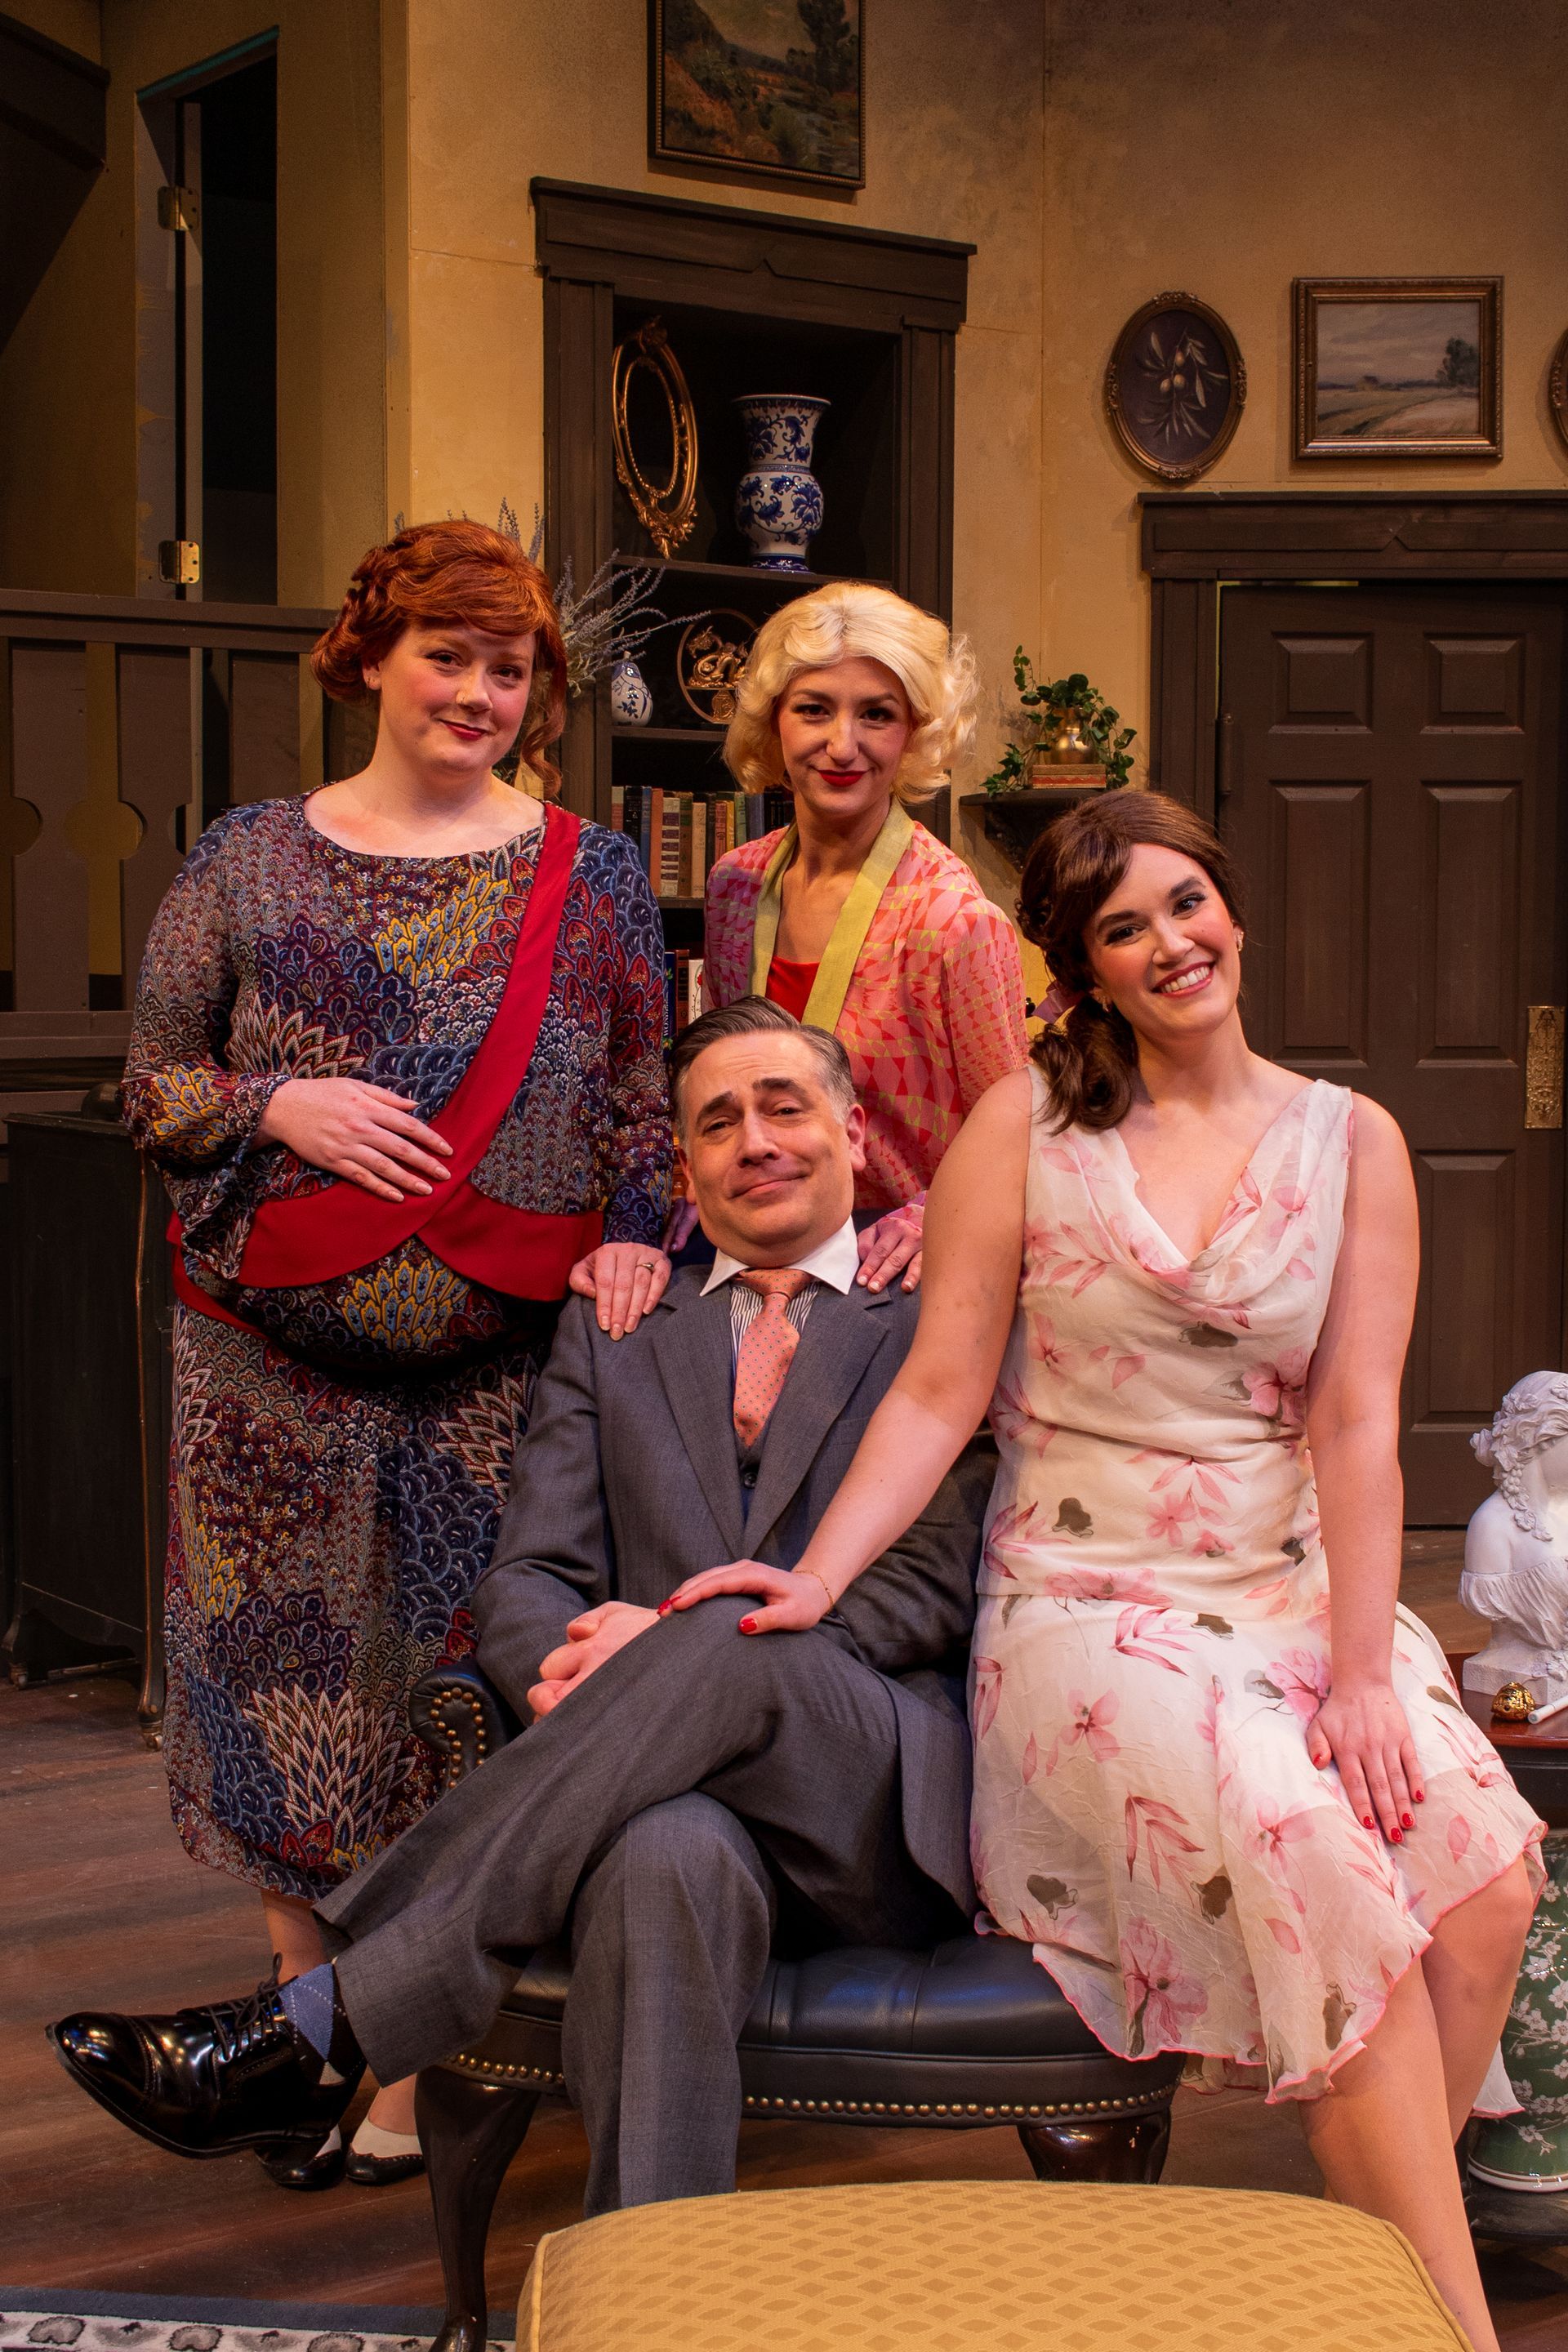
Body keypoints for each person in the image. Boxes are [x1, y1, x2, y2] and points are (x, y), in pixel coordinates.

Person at [666, 791, 1545, 2352]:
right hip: (1092, 1600)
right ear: (1087, 970)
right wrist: (809, 1572)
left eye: (1185, 904)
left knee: (1487, 1886)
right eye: (1124, 929)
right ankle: (1455, 2333)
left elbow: (1354, 1422)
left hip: (1285, 1583)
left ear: (1234, 908)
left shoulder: (1356, 1141)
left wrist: (1359, 1671)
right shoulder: (1029, 1127)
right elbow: (941, 1390)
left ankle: (1368, 2270)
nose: (1170, 943)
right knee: (1315, 1857)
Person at [51, 999, 991, 2216]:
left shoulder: (937, 1320)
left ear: (854, 1134)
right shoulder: (618, 1331)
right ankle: (653, 2297)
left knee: (725, 1635)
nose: (755, 1140)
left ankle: (331, 2018)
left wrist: (680, 1653)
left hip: (856, 1788)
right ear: (685, 1166)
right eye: (718, 1122)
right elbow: (529, 1580)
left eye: (785, 1107)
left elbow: (932, 1587)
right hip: (653, 1804)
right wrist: (575, 1663)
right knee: (665, 1864)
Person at [120, 519, 670, 2187]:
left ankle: (408, 2060)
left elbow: (645, 1098)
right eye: (449, 655)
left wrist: (643, 1223)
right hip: (260, 1377)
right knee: (278, 1700)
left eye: (510, 671)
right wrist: (274, 1100)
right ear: (368, 656)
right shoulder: (245, 857)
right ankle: (309, 2028)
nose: (479, 694)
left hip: (500, 1375)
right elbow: (150, 1085)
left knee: (459, 1704)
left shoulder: (598, 875)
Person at [653, 582, 1027, 1301]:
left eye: (877, 715)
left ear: (915, 734)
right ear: (773, 724)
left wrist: (928, 1220)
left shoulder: (955, 922)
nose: (841, 745)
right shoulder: (735, 885)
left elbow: (1019, 1140)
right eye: (814, 710)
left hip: (895, 1270)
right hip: (753, 1246)